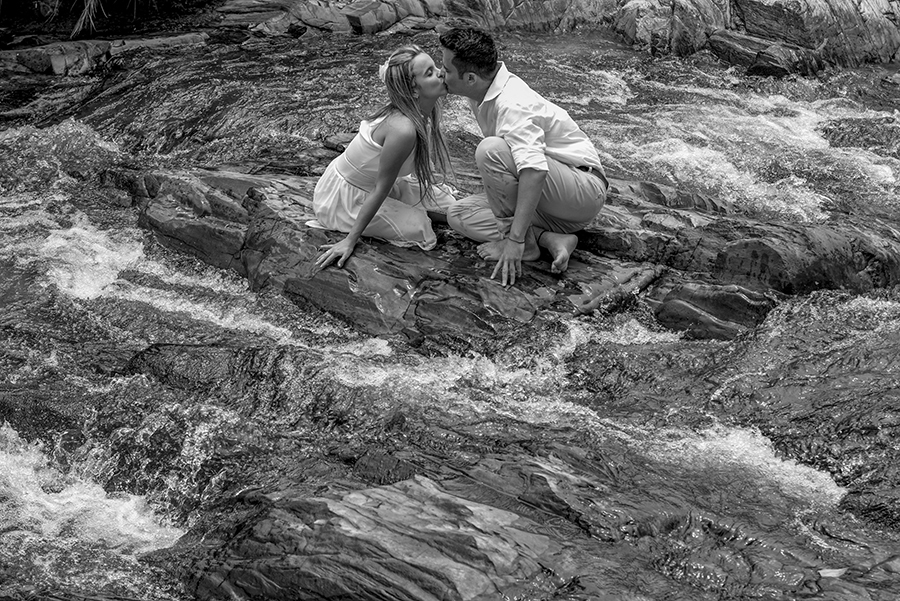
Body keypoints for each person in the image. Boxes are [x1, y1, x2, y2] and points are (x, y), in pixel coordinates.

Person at [439, 27, 609, 286]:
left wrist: (514, 240)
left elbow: (534, 170)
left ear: (470, 78)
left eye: (446, 69)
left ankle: (525, 244)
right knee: (459, 214)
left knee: (491, 150)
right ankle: (551, 239)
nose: (441, 74)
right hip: (553, 205)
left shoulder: (512, 102)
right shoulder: (483, 91)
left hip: (581, 189)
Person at [313, 45, 455, 271]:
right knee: (420, 228)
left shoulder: (422, 111)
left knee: (451, 205)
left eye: (436, 66)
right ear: (414, 90)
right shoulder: (402, 129)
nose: (440, 72)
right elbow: (380, 188)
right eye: (429, 73)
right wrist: (350, 241)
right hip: (347, 197)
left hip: (382, 186)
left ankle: (419, 208)